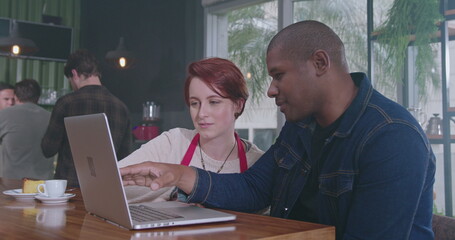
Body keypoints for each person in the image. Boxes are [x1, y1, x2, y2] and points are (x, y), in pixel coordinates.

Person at [120, 20, 436, 239]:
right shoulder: (299, 128)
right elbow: (253, 189)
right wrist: (178, 175)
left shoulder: (392, 138)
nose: (271, 90)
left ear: (320, 64)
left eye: (278, 75)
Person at [118, 57, 264, 203]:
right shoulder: (173, 143)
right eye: (194, 103)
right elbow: (110, 180)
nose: (201, 113)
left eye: (213, 102)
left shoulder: (257, 163)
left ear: (238, 105)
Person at [41, 49, 132, 187]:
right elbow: (124, 157)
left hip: (70, 188)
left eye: (70, 81)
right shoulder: (122, 108)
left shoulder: (66, 103)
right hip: (106, 188)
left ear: (74, 74)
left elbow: (48, 149)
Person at [0, 79, 54, 179]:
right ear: (38, 98)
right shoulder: (51, 117)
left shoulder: (4, 115)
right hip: (43, 185)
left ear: (15, 97)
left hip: (11, 184)